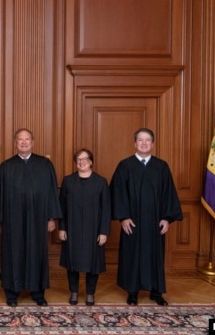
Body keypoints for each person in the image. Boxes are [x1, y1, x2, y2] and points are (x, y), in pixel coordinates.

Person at [110, 127, 183, 306]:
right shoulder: (125, 166)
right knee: (132, 255)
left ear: (152, 143)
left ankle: (156, 292)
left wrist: (167, 218)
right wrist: (124, 217)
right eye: (140, 140)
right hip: (132, 222)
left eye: (147, 140)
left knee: (155, 255)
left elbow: (168, 194)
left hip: (154, 222)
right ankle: (132, 291)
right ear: (135, 143)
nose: (143, 143)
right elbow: (117, 193)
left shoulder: (161, 167)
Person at [0, 128, 62, 307]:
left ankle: (38, 292)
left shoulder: (45, 165)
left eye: (27, 139)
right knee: (12, 253)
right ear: (15, 143)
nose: (24, 143)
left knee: (36, 253)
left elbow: (51, 192)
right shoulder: (6, 167)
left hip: (38, 218)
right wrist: (0, 221)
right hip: (12, 220)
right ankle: (12, 293)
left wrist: (51, 218)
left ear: (32, 142)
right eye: (20, 140)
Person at [58, 148, 111, 306]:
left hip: (93, 230)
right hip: (72, 229)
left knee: (93, 264)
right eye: (78, 160)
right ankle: (73, 292)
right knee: (72, 263)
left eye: (85, 159)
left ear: (91, 162)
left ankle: (90, 293)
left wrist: (104, 232)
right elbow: (62, 208)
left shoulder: (101, 182)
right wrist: (62, 227)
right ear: (75, 163)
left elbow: (106, 209)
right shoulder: (68, 181)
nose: (82, 162)